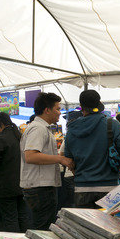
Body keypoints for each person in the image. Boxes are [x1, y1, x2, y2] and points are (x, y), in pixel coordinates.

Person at [65, 90, 120, 208]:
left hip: (81, 188)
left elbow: (69, 161)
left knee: (84, 226)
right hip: (109, 188)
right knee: (108, 226)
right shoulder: (112, 124)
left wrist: (81, 176)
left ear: (81, 106)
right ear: (98, 104)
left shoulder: (72, 129)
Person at [20, 92, 73, 230]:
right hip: (39, 187)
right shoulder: (38, 128)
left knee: (42, 225)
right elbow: (30, 156)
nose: (59, 113)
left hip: (41, 185)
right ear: (47, 110)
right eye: (57, 109)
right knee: (41, 228)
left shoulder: (43, 128)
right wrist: (60, 159)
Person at [0, 112, 28, 232]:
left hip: (5, 186)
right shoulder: (19, 137)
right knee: (22, 217)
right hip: (22, 184)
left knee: (10, 220)